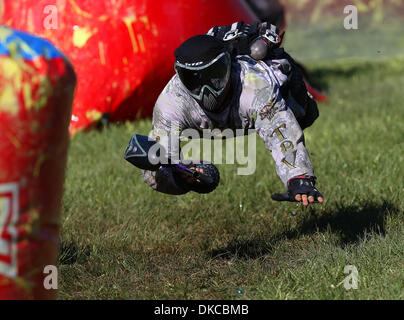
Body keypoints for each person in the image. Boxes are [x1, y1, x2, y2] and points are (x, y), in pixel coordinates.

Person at [139, 21, 324, 207]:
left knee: (307, 115)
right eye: (192, 79)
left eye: (214, 75)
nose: (206, 91)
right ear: (180, 76)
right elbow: (159, 160)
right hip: (219, 119)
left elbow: (281, 134)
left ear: (228, 65)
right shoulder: (172, 101)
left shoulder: (255, 87)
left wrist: (299, 179)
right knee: (152, 171)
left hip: (278, 85)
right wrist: (183, 175)